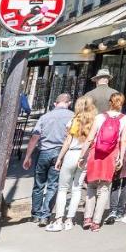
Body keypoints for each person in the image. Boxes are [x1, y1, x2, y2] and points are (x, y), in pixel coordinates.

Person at [21, 93, 74, 226]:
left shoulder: (45, 117)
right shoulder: (73, 117)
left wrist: (27, 156)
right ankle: (45, 215)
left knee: (38, 184)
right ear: (69, 103)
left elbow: (35, 136)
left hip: (43, 152)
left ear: (55, 103)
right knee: (53, 185)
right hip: (60, 153)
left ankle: (35, 214)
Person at [46, 96, 97, 232]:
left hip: (72, 154)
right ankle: (69, 220)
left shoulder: (74, 121)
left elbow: (67, 142)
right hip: (84, 156)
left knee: (63, 188)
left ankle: (58, 220)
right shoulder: (94, 122)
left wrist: (59, 158)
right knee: (77, 188)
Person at [81, 93, 126, 230]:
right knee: (104, 188)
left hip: (96, 153)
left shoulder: (100, 117)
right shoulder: (124, 119)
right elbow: (124, 140)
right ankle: (96, 222)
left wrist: (82, 155)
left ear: (110, 102)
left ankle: (87, 218)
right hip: (111, 155)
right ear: (122, 103)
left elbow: (90, 137)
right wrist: (121, 157)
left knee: (91, 186)